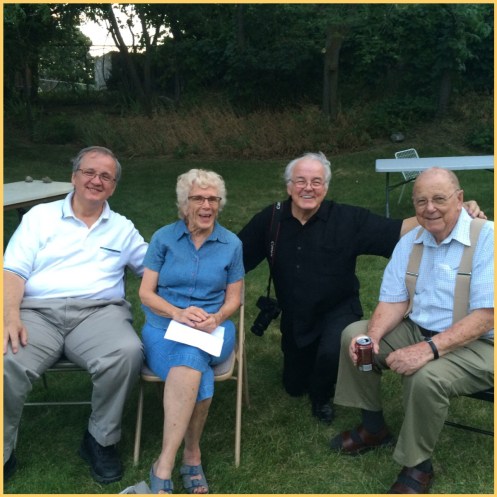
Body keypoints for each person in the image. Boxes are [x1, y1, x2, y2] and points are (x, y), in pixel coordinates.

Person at [238, 152, 485, 424]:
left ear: (325, 187)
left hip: (338, 310)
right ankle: (316, 369)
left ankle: (323, 395)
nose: (308, 188)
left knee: (331, 355)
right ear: (289, 186)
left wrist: (456, 210)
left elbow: (398, 229)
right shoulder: (271, 219)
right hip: (296, 316)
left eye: (316, 181)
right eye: (300, 181)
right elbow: (236, 259)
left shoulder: (347, 219)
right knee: (294, 386)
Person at [330, 167, 493, 493]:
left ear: (459, 199)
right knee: (355, 336)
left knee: (425, 376)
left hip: (481, 343)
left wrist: (427, 350)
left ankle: (418, 465)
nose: (429, 208)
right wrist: (374, 336)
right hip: (419, 329)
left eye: (439, 199)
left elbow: (487, 317)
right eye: (421, 201)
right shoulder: (412, 240)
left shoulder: (488, 238)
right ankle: (373, 428)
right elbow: (394, 300)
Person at [3, 146, 148, 484]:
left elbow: (153, 270)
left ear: (113, 187)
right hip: (37, 313)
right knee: (6, 359)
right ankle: (3, 450)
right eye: (89, 172)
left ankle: (100, 440)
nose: (96, 181)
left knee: (126, 353)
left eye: (106, 176)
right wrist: (9, 315)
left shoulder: (122, 228)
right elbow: (13, 271)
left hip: (99, 315)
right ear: (74, 177)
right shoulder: (39, 217)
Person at [139, 169, 244, 494]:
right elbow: (146, 293)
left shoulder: (231, 244)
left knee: (190, 357)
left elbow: (234, 299)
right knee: (196, 367)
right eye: (198, 198)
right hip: (163, 327)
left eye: (213, 199)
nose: (207, 205)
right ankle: (190, 455)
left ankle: (163, 465)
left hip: (213, 329)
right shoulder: (163, 239)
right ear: (184, 204)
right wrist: (177, 313)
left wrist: (217, 317)